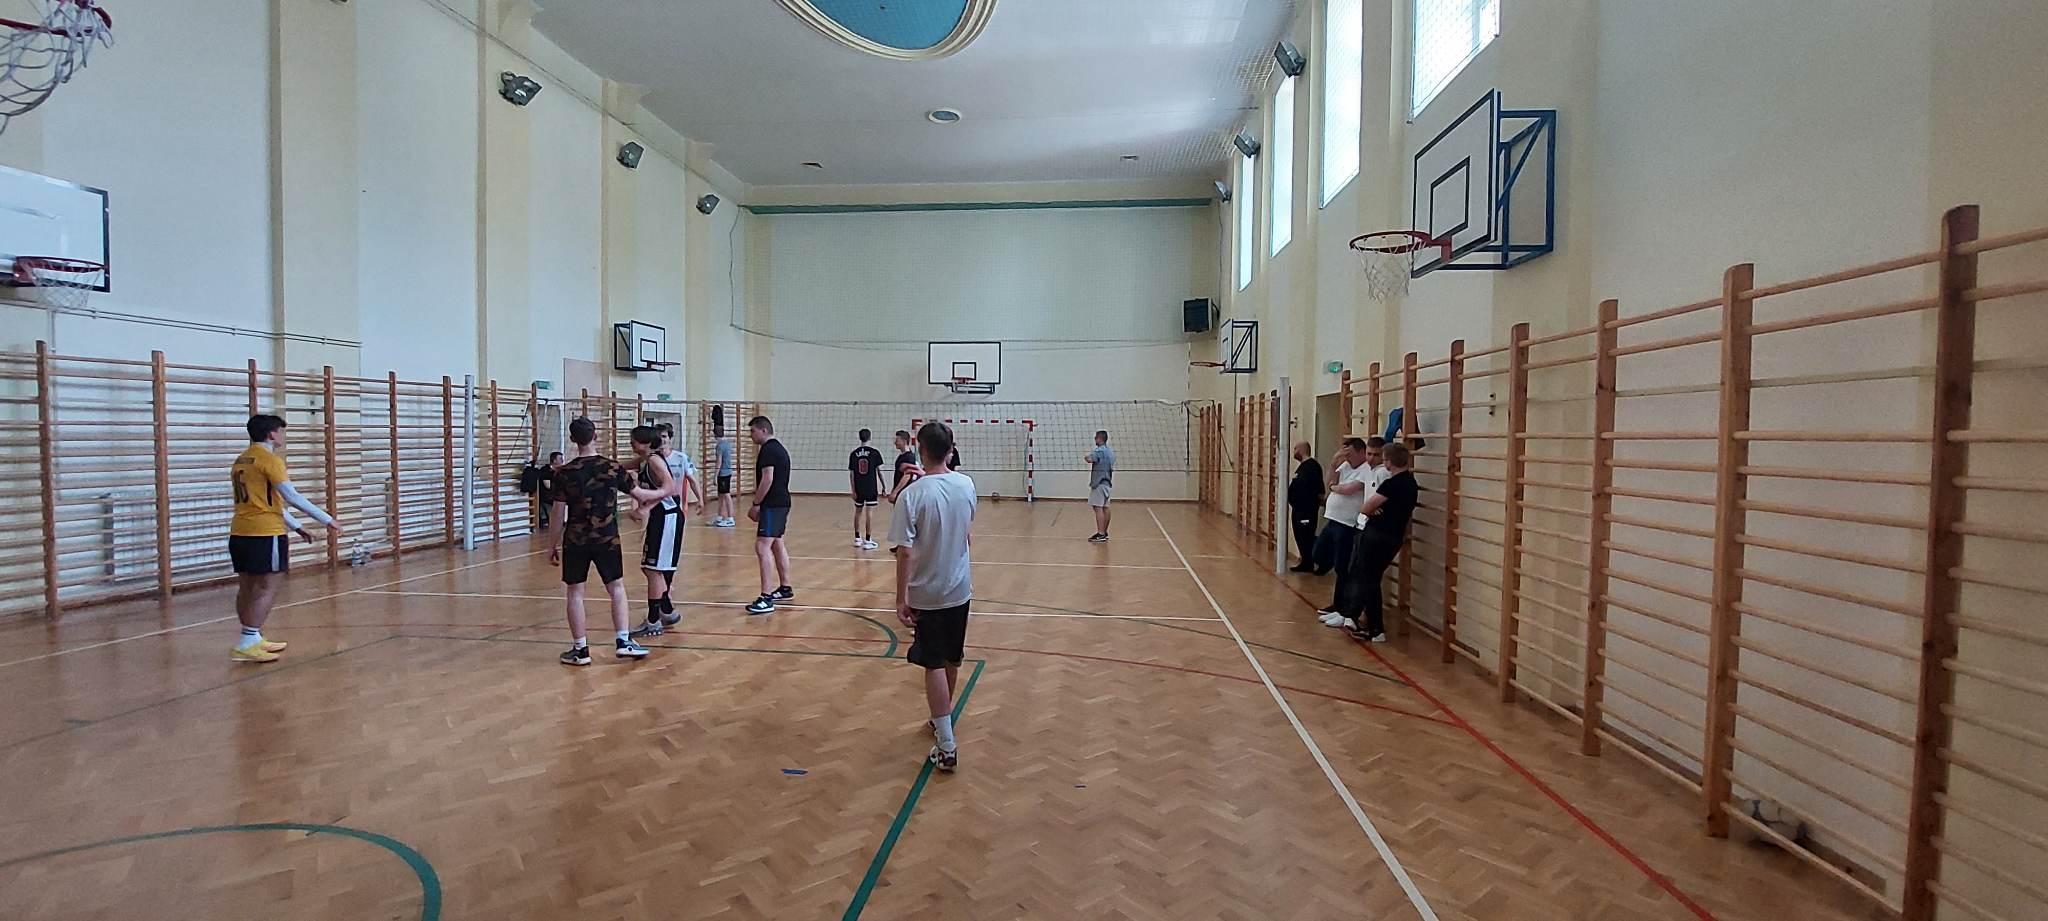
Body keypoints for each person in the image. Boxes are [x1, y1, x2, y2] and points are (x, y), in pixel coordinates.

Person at [889, 421, 977, 772]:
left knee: (933, 663)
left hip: (928, 591)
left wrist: (901, 598)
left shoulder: (913, 495)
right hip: (960, 588)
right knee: (952, 657)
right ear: (951, 450)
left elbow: (905, 551)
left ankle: (947, 743)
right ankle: (942, 719)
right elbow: (966, 533)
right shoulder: (966, 484)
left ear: (920, 450)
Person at [227, 414, 345, 663]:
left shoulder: (242, 460)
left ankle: (252, 637)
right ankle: (247, 641)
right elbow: (292, 496)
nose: (283, 436)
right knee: (268, 585)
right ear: (272, 434)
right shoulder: (270, 460)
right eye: (281, 431)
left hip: (240, 531)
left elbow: (270, 502)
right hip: (264, 532)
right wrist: (327, 519)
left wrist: (297, 526)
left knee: (247, 586)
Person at [550, 417, 656, 664]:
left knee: (575, 593)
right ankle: (623, 641)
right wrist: (666, 491)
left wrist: (552, 545)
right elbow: (640, 494)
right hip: (607, 539)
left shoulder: (564, 472)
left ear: (572, 439)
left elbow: (557, 513)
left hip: (575, 540)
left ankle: (580, 650)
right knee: (616, 588)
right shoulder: (612, 467)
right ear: (595, 436)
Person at [1335, 442, 1421, 642]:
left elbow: (1367, 507)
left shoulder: (1392, 484)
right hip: (1394, 537)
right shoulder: (1411, 483)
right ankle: (1363, 621)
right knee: (1371, 579)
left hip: (1378, 536)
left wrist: (1371, 511)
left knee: (1369, 580)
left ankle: (1375, 628)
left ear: (1389, 462)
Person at [625, 425, 694, 639]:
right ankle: (666, 610)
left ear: (645, 443)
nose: (631, 443)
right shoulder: (644, 460)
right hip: (660, 517)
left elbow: (671, 488)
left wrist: (645, 505)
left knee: (654, 570)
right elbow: (619, 467)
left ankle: (653, 621)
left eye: (634, 440)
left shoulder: (654, 461)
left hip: (668, 517)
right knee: (651, 568)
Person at [1314, 438, 1375, 617]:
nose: (1346, 456)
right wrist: (1334, 464)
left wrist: (1334, 487)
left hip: (1347, 524)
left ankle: (1340, 604)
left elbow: (1349, 489)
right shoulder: (1345, 466)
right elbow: (1328, 481)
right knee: (1317, 553)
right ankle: (1342, 597)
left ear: (1361, 452)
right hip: (1332, 519)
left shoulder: (1366, 469)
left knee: (1342, 568)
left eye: (1349, 453)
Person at [744, 415, 795, 614]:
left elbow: (767, 479)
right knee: (776, 544)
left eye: (753, 431)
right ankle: (785, 588)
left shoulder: (769, 450)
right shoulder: (777, 448)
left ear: (763, 430)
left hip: (773, 504)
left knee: (762, 546)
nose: (751, 435)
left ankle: (766, 598)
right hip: (781, 502)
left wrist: (756, 504)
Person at [1286, 441, 1323, 572]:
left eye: (1295, 448)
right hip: (1298, 510)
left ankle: (1321, 559)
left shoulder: (1312, 467)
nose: (1293, 451)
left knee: (1307, 536)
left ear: (1302, 450)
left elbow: (1319, 490)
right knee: (1300, 537)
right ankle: (1306, 562)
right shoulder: (1302, 467)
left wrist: (1313, 504)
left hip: (1306, 511)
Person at [848, 428, 886, 549]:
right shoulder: (874, 453)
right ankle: (868, 540)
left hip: (859, 487)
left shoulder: (854, 454)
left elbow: (852, 474)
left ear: (860, 438)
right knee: (869, 513)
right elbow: (879, 471)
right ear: (870, 437)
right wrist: (884, 486)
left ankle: (857, 538)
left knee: (858, 512)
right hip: (870, 487)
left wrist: (853, 490)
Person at [1084, 430, 1115, 542]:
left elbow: (1090, 459)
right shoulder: (1110, 452)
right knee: (1106, 507)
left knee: (1098, 508)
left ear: (1099, 438)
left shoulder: (1099, 451)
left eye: (1095, 437)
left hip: (1099, 483)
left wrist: (1086, 457)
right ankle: (1104, 532)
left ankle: (1101, 533)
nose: (1094, 439)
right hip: (1107, 483)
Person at [713, 422, 736, 527]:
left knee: (726, 495)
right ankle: (719, 517)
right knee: (721, 496)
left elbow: (719, 462)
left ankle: (730, 519)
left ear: (714, 434)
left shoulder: (720, 446)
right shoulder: (727, 443)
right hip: (728, 472)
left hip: (723, 474)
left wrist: (715, 476)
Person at [887, 429, 918, 501]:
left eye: (897, 440)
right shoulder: (901, 456)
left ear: (904, 441)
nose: (895, 443)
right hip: (900, 492)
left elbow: (906, 476)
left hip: (905, 493)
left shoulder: (909, 457)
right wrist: (893, 490)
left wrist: (895, 492)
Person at [537, 452, 561, 529]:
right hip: (547, 496)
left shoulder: (560, 470)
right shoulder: (545, 470)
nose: (562, 460)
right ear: (554, 460)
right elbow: (548, 486)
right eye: (560, 459)